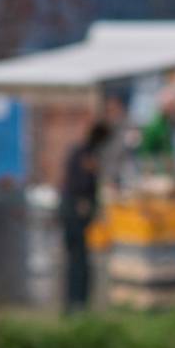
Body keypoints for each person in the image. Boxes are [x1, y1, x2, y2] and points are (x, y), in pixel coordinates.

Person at [60, 120, 111, 313]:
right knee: (78, 261)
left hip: (74, 214)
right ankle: (76, 303)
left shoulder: (83, 152)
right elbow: (80, 186)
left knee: (78, 260)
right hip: (75, 216)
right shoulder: (84, 155)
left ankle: (77, 302)